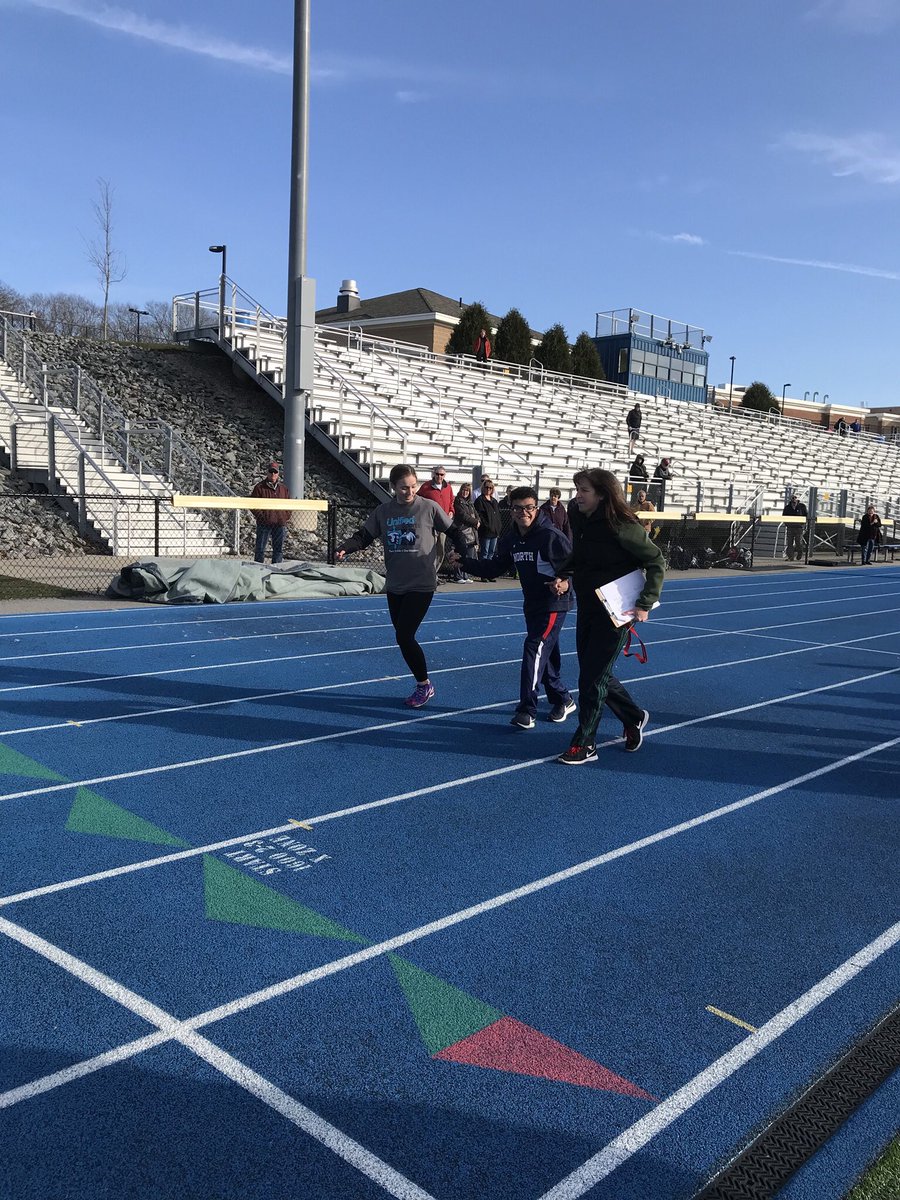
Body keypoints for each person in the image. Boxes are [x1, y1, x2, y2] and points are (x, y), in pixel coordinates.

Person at [549, 468, 664, 765]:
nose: (577, 496)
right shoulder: (581, 517)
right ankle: (633, 716)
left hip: (617, 612)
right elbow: (581, 555)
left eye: (584, 490)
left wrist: (645, 603)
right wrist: (564, 574)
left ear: (602, 493)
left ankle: (585, 743)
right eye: (576, 489)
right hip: (588, 607)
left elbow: (656, 561)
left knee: (591, 677)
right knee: (595, 673)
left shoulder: (623, 525)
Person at [335, 465, 467, 707]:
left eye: (413, 486)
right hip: (395, 584)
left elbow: (456, 532)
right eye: (404, 487)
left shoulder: (428, 507)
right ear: (393, 487)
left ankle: (424, 685)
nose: (410, 491)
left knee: (404, 636)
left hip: (422, 583)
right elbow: (363, 536)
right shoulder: (384, 511)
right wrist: (346, 547)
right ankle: (422, 683)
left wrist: (461, 553)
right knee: (402, 637)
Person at [452, 486, 576, 728]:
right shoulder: (511, 539)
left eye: (529, 508)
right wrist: (465, 562)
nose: (524, 513)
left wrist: (564, 582)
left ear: (536, 508)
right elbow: (494, 568)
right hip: (532, 603)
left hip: (554, 603)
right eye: (518, 508)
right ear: (512, 509)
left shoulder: (551, 536)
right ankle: (563, 697)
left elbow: (574, 568)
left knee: (534, 647)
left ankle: (527, 709)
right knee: (545, 653)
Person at [251, 462, 291, 564]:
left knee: (278, 550)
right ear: (267, 473)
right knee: (260, 549)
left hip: (279, 523)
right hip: (264, 524)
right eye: (271, 472)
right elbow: (252, 504)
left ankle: (276, 569)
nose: (273, 474)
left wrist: (285, 516)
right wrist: (262, 517)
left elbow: (289, 504)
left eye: (275, 472)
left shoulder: (283, 489)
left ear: (278, 474)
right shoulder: (259, 487)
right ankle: (258, 568)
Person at [418, 465, 455, 574]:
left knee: (440, 550)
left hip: (443, 524)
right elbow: (418, 500)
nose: (439, 476)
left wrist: (451, 511)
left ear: (445, 475)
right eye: (437, 474)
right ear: (433, 474)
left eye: (441, 474)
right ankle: (426, 572)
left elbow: (451, 501)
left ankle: (433, 573)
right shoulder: (426, 486)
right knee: (429, 549)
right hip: (430, 524)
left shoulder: (448, 487)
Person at [451, 482, 480, 582]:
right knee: (460, 553)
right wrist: (475, 521)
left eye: (467, 490)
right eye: (463, 490)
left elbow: (476, 514)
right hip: (462, 530)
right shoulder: (458, 501)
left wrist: (478, 521)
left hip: (471, 532)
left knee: (469, 554)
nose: (465, 492)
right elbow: (462, 516)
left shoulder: (470, 503)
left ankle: (466, 575)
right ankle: (458, 575)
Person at [474, 479, 501, 559]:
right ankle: (483, 570)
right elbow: (479, 515)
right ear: (483, 488)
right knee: (485, 553)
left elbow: (498, 516)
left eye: (490, 488)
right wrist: (487, 526)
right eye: (486, 487)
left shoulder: (494, 501)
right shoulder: (480, 500)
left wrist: (498, 527)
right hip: (486, 532)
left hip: (495, 532)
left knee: (492, 552)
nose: (488, 489)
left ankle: (489, 569)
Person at [782, 493, 808, 561]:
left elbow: (806, 516)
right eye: (793, 498)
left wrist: (803, 525)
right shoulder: (787, 507)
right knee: (789, 543)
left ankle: (800, 553)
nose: (794, 499)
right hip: (790, 527)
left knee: (798, 542)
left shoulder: (802, 506)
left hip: (799, 527)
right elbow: (784, 516)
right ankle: (790, 556)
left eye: (795, 498)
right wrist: (787, 524)